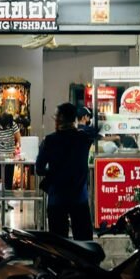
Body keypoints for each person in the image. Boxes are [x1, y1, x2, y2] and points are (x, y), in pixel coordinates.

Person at [36, 102, 95, 241]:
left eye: (56, 117)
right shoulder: (84, 138)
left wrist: (53, 173)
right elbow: (97, 128)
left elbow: (39, 169)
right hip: (79, 197)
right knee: (84, 241)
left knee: (59, 243)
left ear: (60, 118)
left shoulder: (49, 141)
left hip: (57, 197)